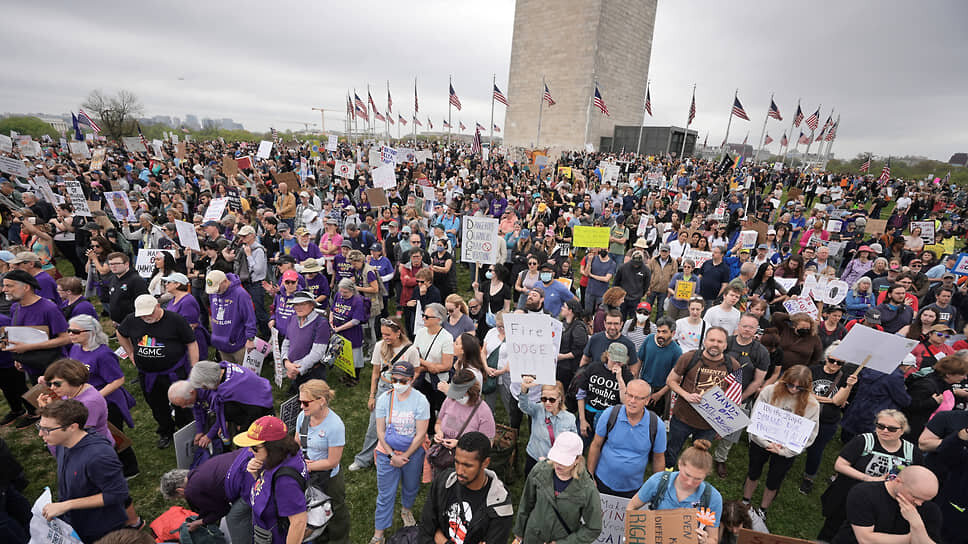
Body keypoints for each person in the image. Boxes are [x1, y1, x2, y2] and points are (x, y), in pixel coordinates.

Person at [817, 409, 922, 542]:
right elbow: (840, 465)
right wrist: (870, 479)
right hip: (848, 496)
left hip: (885, 505)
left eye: (891, 429)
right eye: (880, 426)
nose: (885, 431)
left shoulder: (911, 452)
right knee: (832, 531)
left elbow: (917, 477)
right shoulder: (863, 441)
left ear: (902, 430)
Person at [38, 399, 129, 544]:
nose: (40, 434)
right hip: (77, 523)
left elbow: (117, 494)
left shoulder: (99, 456)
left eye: (47, 429)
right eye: (40, 427)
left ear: (72, 427)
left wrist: (67, 505)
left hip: (101, 530)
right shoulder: (62, 443)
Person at [116, 294, 197, 449]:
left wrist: (194, 367)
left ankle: (186, 429)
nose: (146, 317)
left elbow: (191, 343)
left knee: (183, 403)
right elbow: (121, 333)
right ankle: (166, 431)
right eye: (143, 314)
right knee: (156, 405)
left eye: (150, 313)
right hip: (148, 374)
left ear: (158, 306)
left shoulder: (175, 320)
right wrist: (131, 352)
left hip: (174, 372)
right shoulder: (132, 320)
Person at [743, 365, 820, 519]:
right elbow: (755, 419)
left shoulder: (812, 405)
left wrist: (785, 451)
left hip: (786, 450)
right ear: (784, 380)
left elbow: (809, 435)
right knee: (753, 472)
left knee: (775, 479)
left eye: (799, 388)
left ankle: (763, 509)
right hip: (761, 442)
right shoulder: (769, 391)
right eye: (790, 385)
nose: (793, 389)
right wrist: (766, 443)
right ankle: (745, 501)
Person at [2, 269, 71, 429]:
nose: (4, 289)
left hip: (53, 367)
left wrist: (29, 347)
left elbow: (66, 338)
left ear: (26, 287)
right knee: (45, 404)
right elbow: (18, 335)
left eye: (9, 286)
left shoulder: (48, 308)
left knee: (62, 406)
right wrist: (18, 358)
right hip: (31, 367)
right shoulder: (15, 308)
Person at [419, 431, 514, 544]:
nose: (459, 471)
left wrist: (442, 540)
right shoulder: (443, 482)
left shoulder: (500, 504)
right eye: (457, 462)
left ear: (485, 463)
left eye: (467, 465)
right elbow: (425, 531)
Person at [664, 327, 739, 468]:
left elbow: (734, 398)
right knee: (672, 451)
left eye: (719, 341)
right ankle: (667, 475)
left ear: (725, 345)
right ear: (705, 341)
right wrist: (686, 395)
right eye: (712, 340)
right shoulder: (689, 357)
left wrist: (724, 426)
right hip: (682, 418)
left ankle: (689, 478)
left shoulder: (733, 365)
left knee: (698, 458)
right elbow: (670, 381)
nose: (715, 344)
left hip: (708, 425)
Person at [350, 317, 418, 472]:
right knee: (374, 424)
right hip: (383, 388)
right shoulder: (380, 346)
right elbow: (375, 372)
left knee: (398, 424)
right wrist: (372, 396)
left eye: (388, 335)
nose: (385, 338)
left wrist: (407, 390)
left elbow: (416, 371)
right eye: (382, 334)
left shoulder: (411, 350)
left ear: (398, 333)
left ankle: (394, 456)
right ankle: (363, 459)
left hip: (402, 390)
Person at [372, 360, 429, 543]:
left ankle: (406, 509)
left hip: (412, 453)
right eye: (394, 379)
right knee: (385, 494)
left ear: (412, 380)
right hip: (386, 453)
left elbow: (420, 435)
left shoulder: (421, 401)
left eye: (403, 381)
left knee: (411, 486)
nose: (398, 384)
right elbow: (380, 432)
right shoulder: (384, 399)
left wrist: (404, 456)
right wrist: (391, 455)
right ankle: (378, 534)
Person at [626, 439, 724, 544]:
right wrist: (637, 533)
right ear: (680, 464)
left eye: (697, 479)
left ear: (706, 475)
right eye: (687, 475)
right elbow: (631, 507)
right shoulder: (658, 481)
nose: (690, 482)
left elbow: (713, 539)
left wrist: (704, 541)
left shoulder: (712, 498)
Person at [513, 431, 603, 544]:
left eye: (564, 460)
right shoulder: (539, 470)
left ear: (577, 460)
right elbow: (526, 503)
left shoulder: (587, 488)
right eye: (557, 458)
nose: (558, 464)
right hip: (532, 538)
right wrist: (519, 533)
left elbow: (593, 528)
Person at [233, 416, 310, 544]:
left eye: (255, 447)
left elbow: (299, 522)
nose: (250, 450)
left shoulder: (285, 481)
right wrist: (255, 473)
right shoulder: (280, 457)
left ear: (273, 447)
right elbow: (269, 489)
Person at [712, 314, 771, 477]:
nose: (747, 330)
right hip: (716, 392)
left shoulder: (761, 352)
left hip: (741, 397)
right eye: (744, 326)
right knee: (708, 422)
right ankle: (701, 446)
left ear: (756, 330)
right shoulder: (726, 342)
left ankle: (720, 458)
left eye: (751, 327)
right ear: (738, 325)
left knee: (731, 431)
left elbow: (758, 381)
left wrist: (740, 398)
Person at [587, 379, 666, 497]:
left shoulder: (656, 425)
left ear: (647, 400)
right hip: (601, 482)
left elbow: (659, 458)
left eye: (638, 398)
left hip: (633, 489)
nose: (632, 401)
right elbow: (596, 445)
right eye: (629, 395)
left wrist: (656, 487)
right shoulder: (610, 414)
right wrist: (590, 476)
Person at [159, 448, 255, 544]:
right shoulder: (198, 471)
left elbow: (223, 510)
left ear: (179, 490)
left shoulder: (191, 491)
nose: (183, 498)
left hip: (251, 480)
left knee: (234, 517)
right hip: (249, 456)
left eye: (179, 497)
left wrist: (198, 523)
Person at [295, 380, 350, 544]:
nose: (301, 406)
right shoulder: (302, 417)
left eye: (306, 402)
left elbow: (333, 461)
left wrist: (308, 466)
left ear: (322, 401)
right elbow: (297, 440)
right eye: (300, 402)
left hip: (329, 478)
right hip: (308, 472)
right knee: (314, 508)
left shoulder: (335, 426)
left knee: (335, 510)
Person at [169, 360, 273, 445]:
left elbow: (255, 411)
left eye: (205, 387)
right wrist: (202, 430)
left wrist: (243, 429)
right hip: (244, 410)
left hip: (257, 412)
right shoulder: (210, 374)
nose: (204, 389)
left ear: (210, 383)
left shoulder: (232, 390)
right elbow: (207, 409)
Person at [799, 345, 858, 495]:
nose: (835, 365)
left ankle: (808, 478)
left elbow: (839, 402)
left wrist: (849, 387)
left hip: (827, 421)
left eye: (840, 363)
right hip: (805, 415)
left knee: (816, 450)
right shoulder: (813, 371)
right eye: (832, 361)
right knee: (796, 442)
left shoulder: (845, 378)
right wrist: (830, 399)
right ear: (826, 358)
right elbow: (804, 393)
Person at [831, 465, 941, 544]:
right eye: (915, 497)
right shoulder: (864, 493)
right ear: (897, 481)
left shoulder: (931, 510)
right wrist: (913, 538)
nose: (919, 503)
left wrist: (917, 525)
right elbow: (865, 539)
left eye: (925, 500)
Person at [432, 369, 496, 476]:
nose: (456, 397)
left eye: (460, 395)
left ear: (471, 391)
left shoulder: (483, 411)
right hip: (444, 457)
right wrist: (439, 433)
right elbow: (439, 423)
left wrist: (460, 444)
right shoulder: (449, 400)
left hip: (466, 463)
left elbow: (487, 444)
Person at [902, 352, 968, 441]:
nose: (964, 378)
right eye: (962, 374)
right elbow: (909, 406)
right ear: (948, 374)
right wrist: (932, 402)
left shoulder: (945, 384)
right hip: (916, 433)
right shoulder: (926, 385)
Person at [518, 377, 577, 473]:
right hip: (535, 458)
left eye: (552, 400)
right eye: (544, 399)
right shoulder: (538, 409)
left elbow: (573, 443)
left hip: (556, 462)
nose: (547, 403)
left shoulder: (569, 419)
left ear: (560, 398)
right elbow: (523, 406)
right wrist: (524, 389)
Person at [413, 302, 454, 435]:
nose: (423, 318)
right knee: (425, 407)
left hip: (440, 381)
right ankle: (429, 433)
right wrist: (429, 365)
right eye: (423, 315)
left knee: (442, 409)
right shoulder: (420, 333)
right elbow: (415, 355)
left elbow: (446, 365)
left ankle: (443, 434)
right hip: (424, 378)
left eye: (426, 316)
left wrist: (423, 363)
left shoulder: (447, 338)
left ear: (438, 320)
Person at [281, 290, 333, 389]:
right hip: (294, 370)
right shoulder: (292, 319)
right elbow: (286, 343)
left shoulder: (321, 323)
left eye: (303, 304)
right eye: (296, 304)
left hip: (312, 375)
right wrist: (286, 362)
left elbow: (317, 353)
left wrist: (296, 369)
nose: (298, 307)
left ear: (312, 305)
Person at [206, 269, 258, 365]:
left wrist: (250, 338)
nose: (216, 292)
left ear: (225, 281)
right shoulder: (213, 293)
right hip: (221, 344)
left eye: (217, 288)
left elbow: (249, 317)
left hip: (238, 345)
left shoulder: (241, 294)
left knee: (242, 374)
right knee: (229, 373)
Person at [636, 316, 682, 416]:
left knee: (653, 420)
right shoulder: (649, 340)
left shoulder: (677, 351)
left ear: (673, 333)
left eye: (664, 332)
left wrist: (659, 394)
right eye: (658, 331)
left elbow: (675, 378)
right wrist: (635, 380)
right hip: (643, 386)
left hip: (660, 392)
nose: (660, 335)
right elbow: (639, 360)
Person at [163, 272, 210, 358]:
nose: (166, 285)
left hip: (190, 343)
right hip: (179, 340)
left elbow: (190, 326)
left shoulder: (188, 301)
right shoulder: (173, 299)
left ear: (177, 284)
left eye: (168, 282)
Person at [330, 278, 368, 381]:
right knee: (344, 354)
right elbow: (332, 310)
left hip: (352, 333)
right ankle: (346, 375)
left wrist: (338, 329)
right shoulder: (338, 295)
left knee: (355, 356)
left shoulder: (357, 301)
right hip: (339, 330)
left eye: (345, 292)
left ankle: (355, 378)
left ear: (352, 290)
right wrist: (331, 322)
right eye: (341, 291)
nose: (342, 294)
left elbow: (355, 321)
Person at [105, 252, 149, 325]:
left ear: (126, 264)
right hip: (119, 323)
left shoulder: (136, 280)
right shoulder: (112, 278)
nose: (113, 266)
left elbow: (144, 303)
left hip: (134, 323)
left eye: (117, 264)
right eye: (111, 264)